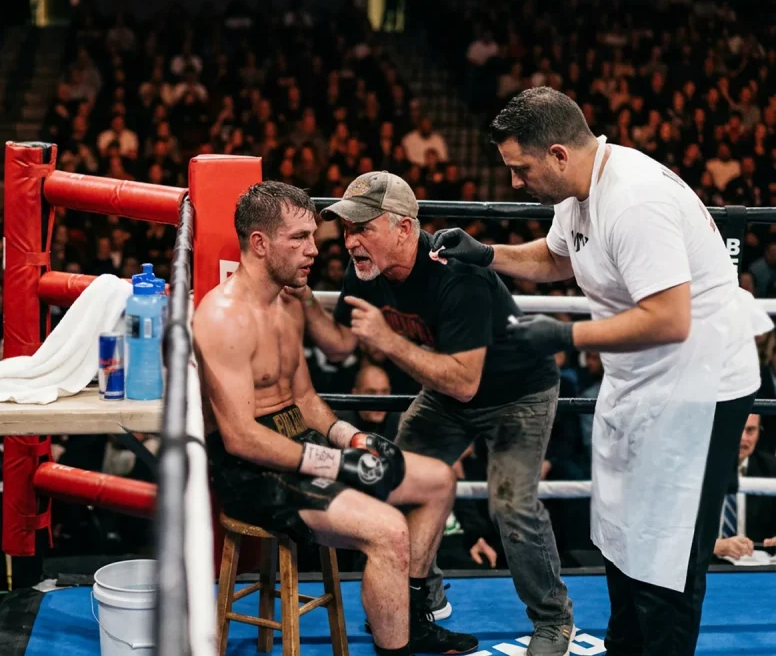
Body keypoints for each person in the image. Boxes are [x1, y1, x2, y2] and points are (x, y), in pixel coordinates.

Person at [431, 86, 766, 656]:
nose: (514, 183)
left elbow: (669, 316)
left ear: (559, 154)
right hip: (646, 378)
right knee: (622, 535)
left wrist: (564, 334)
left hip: (698, 384)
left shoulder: (634, 199)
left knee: (667, 551)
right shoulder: (583, 190)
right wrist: (488, 253)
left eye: (520, 169)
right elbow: (561, 256)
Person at [193, 181, 478, 655]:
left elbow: (303, 397)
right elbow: (241, 437)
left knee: (439, 481)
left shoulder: (289, 303)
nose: (313, 251)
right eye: (298, 239)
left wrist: (352, 438)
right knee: (388, 530)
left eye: (312, 238)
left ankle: (408, 615)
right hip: (253, 471)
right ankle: (395, 648)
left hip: (300, 443)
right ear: (259, 244)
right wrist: (334, 463)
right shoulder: (223, 317)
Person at [295, 170, 572, 655]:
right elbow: (340, 346)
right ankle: (423, 602)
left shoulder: (457, 274)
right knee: (393, 482)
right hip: (447, 394)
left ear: (404, 228)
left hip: (517, 395)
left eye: (364, 228)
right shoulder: (364, 270)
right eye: (348, 228)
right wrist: (300, 300)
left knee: (511, 506)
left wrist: (387, 340)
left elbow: (465, 383)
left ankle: (553, 621)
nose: (351, 241)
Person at [712, 413, 776, 560]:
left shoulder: (772, 469)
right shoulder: (696, 469)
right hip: (705, 566)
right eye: (737, 428)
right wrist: (715, 546)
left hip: (754, 567)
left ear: (759, 432)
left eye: (750, 430)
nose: (743, 437)